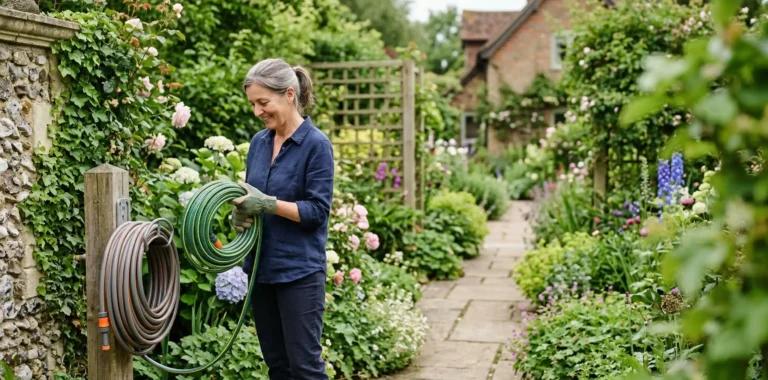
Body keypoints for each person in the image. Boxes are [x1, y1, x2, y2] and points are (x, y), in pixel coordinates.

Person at [230, 58, 334, 380]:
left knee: (305, 368)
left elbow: (317, 211)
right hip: (261, 270)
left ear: (289, 94)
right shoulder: (259, 143)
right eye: (253, 103)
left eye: (263, 102)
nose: (257, 111)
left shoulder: (316, 146)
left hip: (299, 273)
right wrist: (242, 212)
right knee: (278, 366)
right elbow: (253, 195)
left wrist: (270, 204)